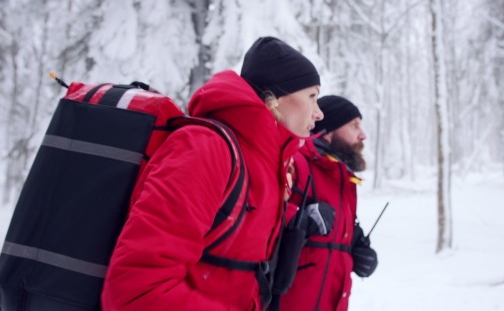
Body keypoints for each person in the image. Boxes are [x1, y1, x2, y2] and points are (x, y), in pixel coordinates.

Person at [101, 37, 335, 310]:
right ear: (276, 98)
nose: (319, 113)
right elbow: (138, 290)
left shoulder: (265, 161)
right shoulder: (204, 148)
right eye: (312, 97)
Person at [279, 95, 378, 311]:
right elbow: (263, 210)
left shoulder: (344, 179)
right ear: (329, 131)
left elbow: (333, 237)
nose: (362, 135)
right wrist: (299, 218)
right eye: (354, 126)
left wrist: (355, 248)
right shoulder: (296, 162)